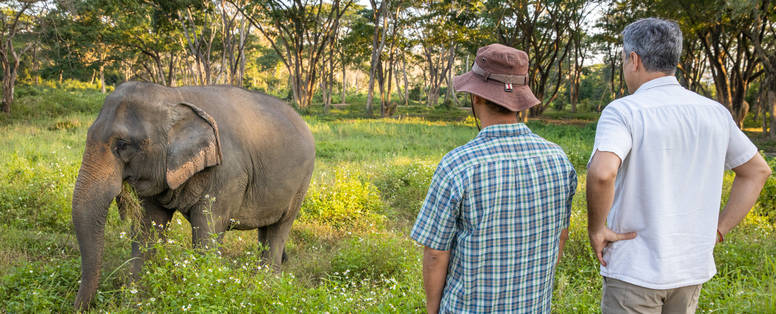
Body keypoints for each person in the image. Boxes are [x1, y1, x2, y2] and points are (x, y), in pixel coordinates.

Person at [586, 18, 772, 313]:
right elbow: (758, 171)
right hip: (690, 267)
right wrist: (719, 229)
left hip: (635, 269)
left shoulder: (624, 111)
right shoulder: (714, 113)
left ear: (634, 60)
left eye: (623, 59)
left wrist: (597, 229)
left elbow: (602, 172)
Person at [410, 43, 577, 313]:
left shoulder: (458, 165)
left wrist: (432, 309)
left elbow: (435, 253)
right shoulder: (559, 160)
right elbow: (560, 237)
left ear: (476, 97)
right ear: (520, 100)